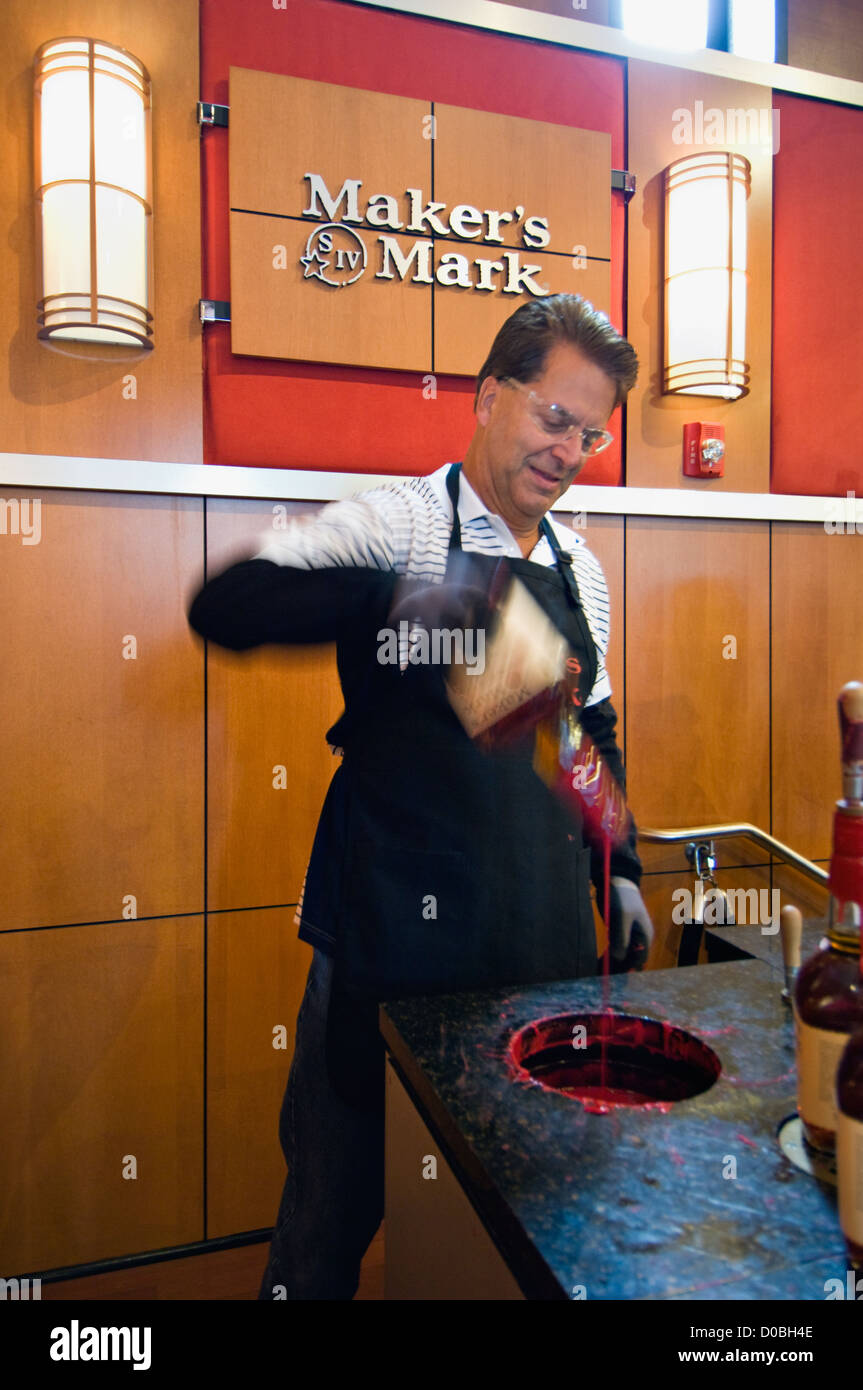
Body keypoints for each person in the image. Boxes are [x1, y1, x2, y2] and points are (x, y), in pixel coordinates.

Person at [187, 293, 654, 1300]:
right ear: (489, 396)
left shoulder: (580, 565)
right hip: (391, 933)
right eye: (550, 416)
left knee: (513, 1220)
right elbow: (229, 604)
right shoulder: (400, 520)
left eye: (588, 429)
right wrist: (425, 597)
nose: (567, 447)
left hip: (536, 946)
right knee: (328, 1213)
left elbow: (578, 734)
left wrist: (620, 865)